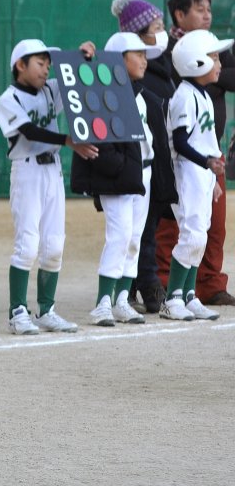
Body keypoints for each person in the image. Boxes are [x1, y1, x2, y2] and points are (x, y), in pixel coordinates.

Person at [0, 39, 98, 335]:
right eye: (40, 63)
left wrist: (84, 57)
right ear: (20, 65)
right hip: (27, 171)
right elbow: (28, 130)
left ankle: (46, 310)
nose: (46, 69)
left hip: (53, 171)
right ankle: (17, 312)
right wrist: (67, 140)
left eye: (48, 64)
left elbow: (76, 81)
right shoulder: (8, 99)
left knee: (54, 245)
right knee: (27, 244)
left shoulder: (50, 90)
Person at [72, 32, 171, 326]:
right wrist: (118, 167)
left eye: (145, 54)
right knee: (119, 236)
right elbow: (80, 92)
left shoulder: (145, 97)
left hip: (145, 174)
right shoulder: (104, 94)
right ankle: (102, 302)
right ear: (117, 59)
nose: (144, 60)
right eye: (137, 54)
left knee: (134, 239)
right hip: (119, 177)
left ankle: (120, 301)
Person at [154, 0, 235, 307]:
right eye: (199, 9)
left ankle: (206, 286)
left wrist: (213, 71)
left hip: (210, 153)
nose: (207, 15)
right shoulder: (168, 50)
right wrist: (211, 73)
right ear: (179, 14)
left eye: (209, 9)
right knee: (176, 225)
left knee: (210, 226)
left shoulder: (209, 50)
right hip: (185, 159)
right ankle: (167, 286)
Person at [109, 0, 176, 313]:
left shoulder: (162, 65)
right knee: (135, 232)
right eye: (156, 27)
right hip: (133, 166)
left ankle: (137, 284)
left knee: (146, 229)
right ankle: (144, 286)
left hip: (157, 161)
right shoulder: (130, 77)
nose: (163, 32)